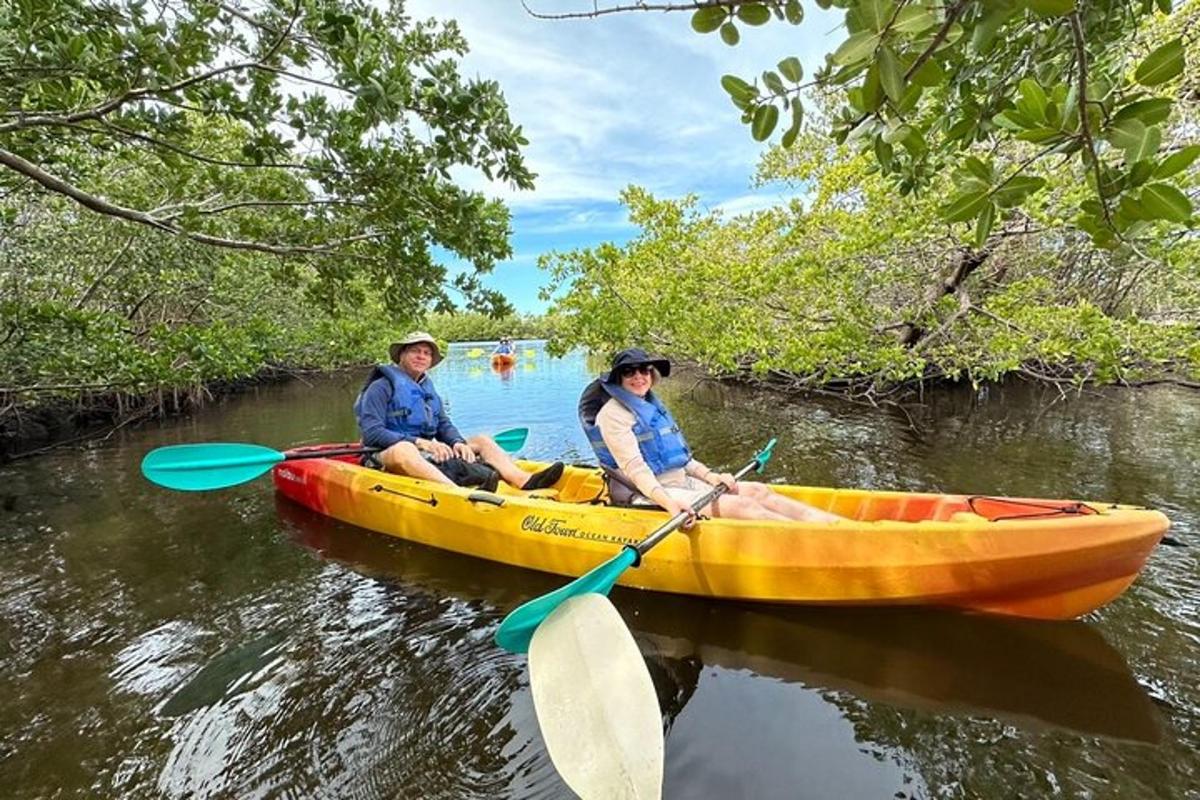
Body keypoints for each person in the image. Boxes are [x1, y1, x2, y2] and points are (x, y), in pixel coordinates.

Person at [578, 347, 842, 523]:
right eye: (629, 372)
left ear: (652, 374)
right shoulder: (612, 415)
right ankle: (820, 542)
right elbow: (636, 469)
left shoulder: (651, 405)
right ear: (617, 379)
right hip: (650, 491)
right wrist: (669, 504)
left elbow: (683, 460)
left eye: (644, 370)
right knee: (743, 508)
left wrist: (711, 476)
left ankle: (836, 527)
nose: (638, 376)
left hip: (680, 482)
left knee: (759, 491)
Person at [355, 331, 563, 491]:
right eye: (415, 351)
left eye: (427, 353)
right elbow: (372, 432)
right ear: (402, 354)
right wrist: (419, 442)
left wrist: (457, 443)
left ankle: (524, 480)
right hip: (385, 453)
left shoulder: (427, 388)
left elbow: (443, 424)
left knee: (480, 440)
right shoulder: (381, 387)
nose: (421, 356)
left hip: (423, 452)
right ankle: (455, 493)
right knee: (404, 449)